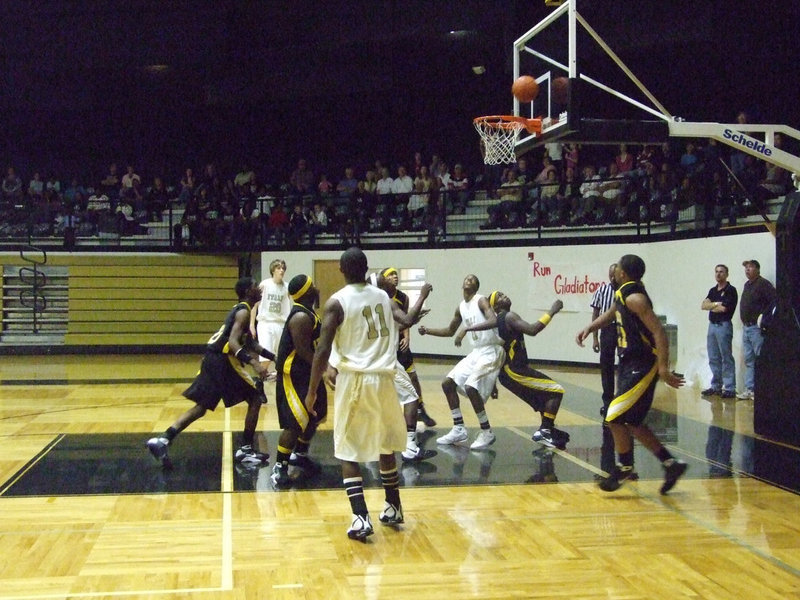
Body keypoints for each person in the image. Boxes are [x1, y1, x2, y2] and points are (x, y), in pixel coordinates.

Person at [304, 247, 432, 541]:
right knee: (386, 444)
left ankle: (360, 516)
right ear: (366, 269)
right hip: (386, 378)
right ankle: (393, 506)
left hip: (357, 381)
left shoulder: (337, 302)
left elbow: (322, 350)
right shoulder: (384, 298)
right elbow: (406, 320)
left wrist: (313, 390)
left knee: (348, 449)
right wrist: (423, 296)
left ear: (341, 269)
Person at [576, 255, 687, 494]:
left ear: (623, 273)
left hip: (643, 364)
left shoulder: (636, 298)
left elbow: (659, 332)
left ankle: (625, 466)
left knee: (614, 414)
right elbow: (612, 313)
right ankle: (671, 465)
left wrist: (663, 368)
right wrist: (590, 327)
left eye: (617, 267)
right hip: (628, 363)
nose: (613, 270)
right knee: (633, 422)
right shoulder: (622, 294)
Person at [146, 277, 272, 469]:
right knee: (255, 398)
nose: (259, 289)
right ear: (248, 291)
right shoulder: (244, 311)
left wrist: (272, 356)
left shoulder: (241, 309)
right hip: (222, 361)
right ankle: (245, 450)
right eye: (256, 286)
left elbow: (249, 343)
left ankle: (164, 439)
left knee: (202, 406)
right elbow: (233, 343)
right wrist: (254, 363)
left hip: (211, 359)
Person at [463, 292, 569, 448]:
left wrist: (493, 383)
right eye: (499, 296)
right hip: (515, 370)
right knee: (556, 391)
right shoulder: (508, 316)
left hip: (508, 373)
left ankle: (548, 431)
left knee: (544, 399)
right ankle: (545, 430)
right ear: (496, 307)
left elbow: (498, 352)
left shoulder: (499, 323)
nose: (504, 296)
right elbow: (533, 329)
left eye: (503, 294)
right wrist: (552, 310)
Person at [418, 274, 504, 451]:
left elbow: (493, 320)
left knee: (471, 387)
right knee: (447, 383)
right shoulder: (461, 307)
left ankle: (486, 431)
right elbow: (450, 331)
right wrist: (428, 331)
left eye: (472, 279)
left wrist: (467, 329)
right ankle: (458, 428)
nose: (468, 280)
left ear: (476, 286)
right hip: (477, 352)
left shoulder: (481, 301)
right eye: (466, 278)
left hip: (491, 350)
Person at [270, 274, 326, 487]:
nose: (317, 288)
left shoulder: (310, 312)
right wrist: (325, 368)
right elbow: (303, 351)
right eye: (314, 285)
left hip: (309, 372)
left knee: (315, 415)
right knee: (295, 423)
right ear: (307, 292)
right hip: (293, 375)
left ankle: (300, 455)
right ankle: (279, 467)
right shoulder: (301, 317)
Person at [379, 267, 437, 428]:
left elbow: (405, 321)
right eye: (390, 274)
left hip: (398, 341)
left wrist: (407, 337)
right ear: (382, 280)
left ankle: (420, 409)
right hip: (384, 343)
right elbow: (407, 319)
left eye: (396, 274)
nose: (394, 277)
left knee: (412, 377)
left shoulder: (402, 297)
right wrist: (422, 297)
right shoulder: (379, 297)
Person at [737, 259, 776, 400]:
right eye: (746, 267)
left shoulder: (763, 284)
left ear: (758, 269)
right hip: (746, 327)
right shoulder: (747, 285)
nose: (747, 269)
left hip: (756, 328)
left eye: (751, 267)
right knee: (749, 360)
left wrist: (763, 317)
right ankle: (750, 389)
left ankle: (764, 389)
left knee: (761, 358)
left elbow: (774, 301)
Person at [701, 265, 738, 399]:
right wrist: (716, 304)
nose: (718, 274)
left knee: (726, 357)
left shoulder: (731, 290)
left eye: (721, 272)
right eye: (716, 272)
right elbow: (703, 305)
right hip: (712, 326)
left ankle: (729, 388)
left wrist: (712, 306)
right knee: (713, 357)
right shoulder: (712, 290)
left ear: (727, 274)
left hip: (724, 326)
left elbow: (724, 309)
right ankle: (716, 386)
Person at [249, 259, 291, 378]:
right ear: (273, 270)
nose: (281, 270)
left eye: (283, 268)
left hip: (281, 324)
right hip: (265, 323)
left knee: (281, 354)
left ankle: (274, 377)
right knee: (266, 352)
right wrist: (252, 325)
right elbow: (254, 305)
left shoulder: (287, 287)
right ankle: (259, 379)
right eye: (278, 268)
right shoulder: (264, 284)